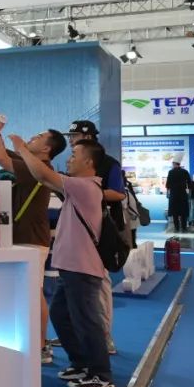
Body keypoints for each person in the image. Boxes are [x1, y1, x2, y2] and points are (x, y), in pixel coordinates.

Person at [10, 134, 116, 387]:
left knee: (87, 321)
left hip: (82, 267)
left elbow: (43, 175)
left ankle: (101, 375)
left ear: (89, 162)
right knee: (62, 315)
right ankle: (81, 363)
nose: (69, 160)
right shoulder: (77, 187)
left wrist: (22, 148)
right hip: (70, 267)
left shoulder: (85, 186)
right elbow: (44, 178)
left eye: (74, 156)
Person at [0, 114, 67, 364]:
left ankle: (41, 346)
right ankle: (30, 341)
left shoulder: (38, 168)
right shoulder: (29, 163)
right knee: (26, 291)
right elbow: (2, 154)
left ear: (47, 149)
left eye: (39, 136)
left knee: (34, 292)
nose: (33, 137)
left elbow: (1, 158)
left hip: (30, 238)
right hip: (21, 236)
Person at [67, 120, 125, 355]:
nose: (70, 140)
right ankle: (81, 334)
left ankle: (105, 336)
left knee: (100, 284)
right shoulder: (74, 165)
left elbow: (119, 194)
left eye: (74, 136)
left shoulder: (109, 163)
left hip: (102, 230)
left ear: (88, 137)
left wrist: (90, 191)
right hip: (79, 233)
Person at [165, 159, 192, 233]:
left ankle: (176, 227)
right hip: (183, 194)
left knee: (175, 213)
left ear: (174, 164)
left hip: (174, 194)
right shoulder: (185, 171)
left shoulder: (171, 172)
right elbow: (189, 183)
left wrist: (168, 193)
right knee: (183, 212)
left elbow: (168, 184)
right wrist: (189, 192)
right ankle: (184, 227)